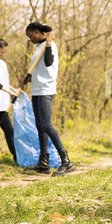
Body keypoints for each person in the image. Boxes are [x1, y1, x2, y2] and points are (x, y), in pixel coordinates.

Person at [21, 22, 75, 176]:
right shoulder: (39, 47)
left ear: (37, 32)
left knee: (46, 124)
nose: (30, 40)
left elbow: (48, 63)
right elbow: (40, 70)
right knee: (40, 126)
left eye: (30, 36)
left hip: (46, 89)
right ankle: (43, 163)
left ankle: (66, 161)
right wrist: (27, 78)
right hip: (37, 89)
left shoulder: (50, 45)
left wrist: (49, 42)